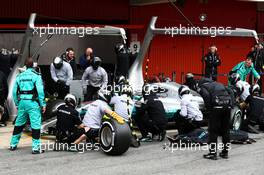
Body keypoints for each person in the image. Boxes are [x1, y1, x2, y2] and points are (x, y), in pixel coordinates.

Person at [10, 57, 46, 154]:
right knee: (35, 125)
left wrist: (17, 103)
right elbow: (40, 91)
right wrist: (43, 104)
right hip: (32, 103)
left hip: (22, 102)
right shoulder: (36, 76)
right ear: (33, 66)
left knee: (19, 123)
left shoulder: (19, 76)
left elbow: (14, 92)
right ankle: (35, 148)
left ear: (25, 65)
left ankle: (13, 144)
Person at [198, 78, 234, 160]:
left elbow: (206, 96)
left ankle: (213, 153)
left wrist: (209, 109)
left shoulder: (203, 86)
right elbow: (231, 91)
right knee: (225, 130)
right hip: (227, 106)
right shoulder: (219, 83)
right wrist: (231, 104)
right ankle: (225, 153)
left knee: (213, 131)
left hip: (217, 107)